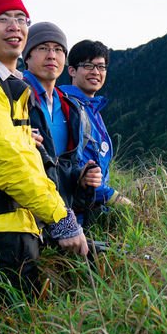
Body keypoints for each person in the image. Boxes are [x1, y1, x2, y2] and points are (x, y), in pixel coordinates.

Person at [0, 0, 88, 303]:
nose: (15, 26)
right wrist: (61, 218)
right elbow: (7, 162)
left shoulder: (7, 85)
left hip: (16, 228)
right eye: (2, 19)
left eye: (21, 19)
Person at [21, 21, 102, 242]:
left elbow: (66, 171)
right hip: (24, 223)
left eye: (58, 50)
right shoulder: (12, 97)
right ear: (26, 56)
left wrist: (83, 181)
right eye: (42, 48)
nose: (51, 55)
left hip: (63, 222)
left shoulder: (72, 108)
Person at [60, 39, 133, 227]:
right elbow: (76, 168)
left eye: (101, 67)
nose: (96, 72)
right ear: (72, 71)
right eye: (88, 65)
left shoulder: (92, 109)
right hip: (76, 218)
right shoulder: (68, 108)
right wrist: (121, 202)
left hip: (91, 213)